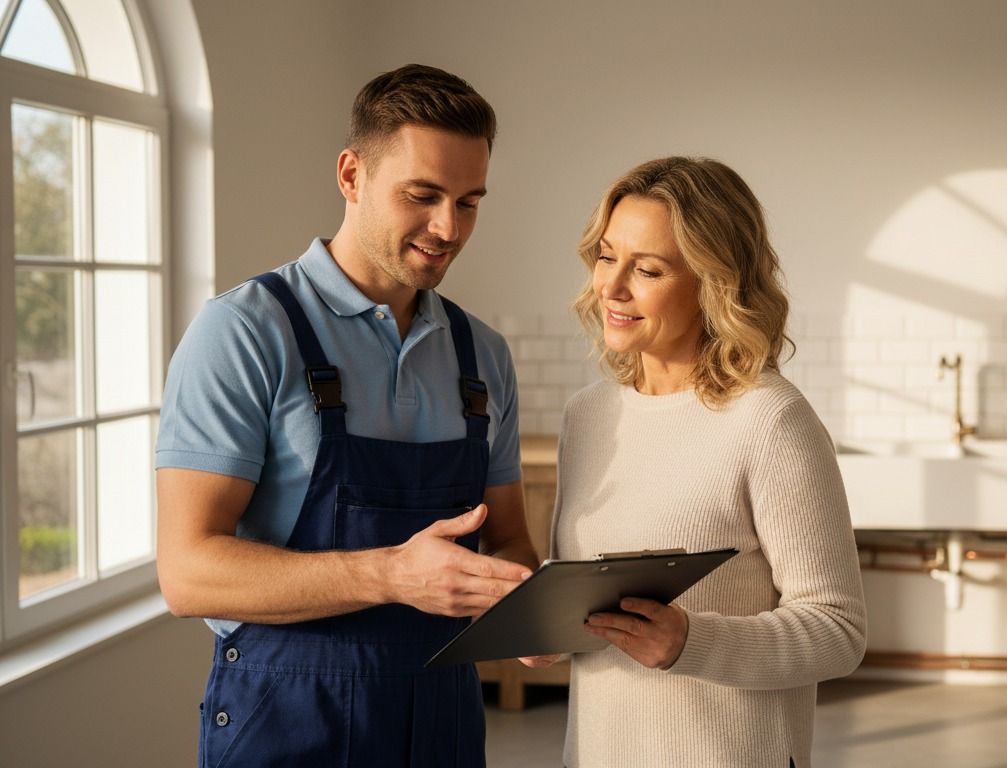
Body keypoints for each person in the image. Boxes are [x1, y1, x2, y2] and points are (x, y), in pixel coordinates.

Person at [155, 64, 539, 767]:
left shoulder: (481, 354)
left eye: (470, 202)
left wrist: (528, 606)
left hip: (444, 731)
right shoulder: (244, 332)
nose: (447, 227)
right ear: (351, 175)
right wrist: (392, 575)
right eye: (422, 196)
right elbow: (187, 574)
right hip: (287, 726)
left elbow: (509, 539)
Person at [550, 157, 867, 767]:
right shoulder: (587, 418)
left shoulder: (771, 419)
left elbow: (838, 630)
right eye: (607, 256)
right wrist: (543, 629)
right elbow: (593, 611)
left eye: (647, 269)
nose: (612, 287)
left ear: (714, 284)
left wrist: (692, 641)